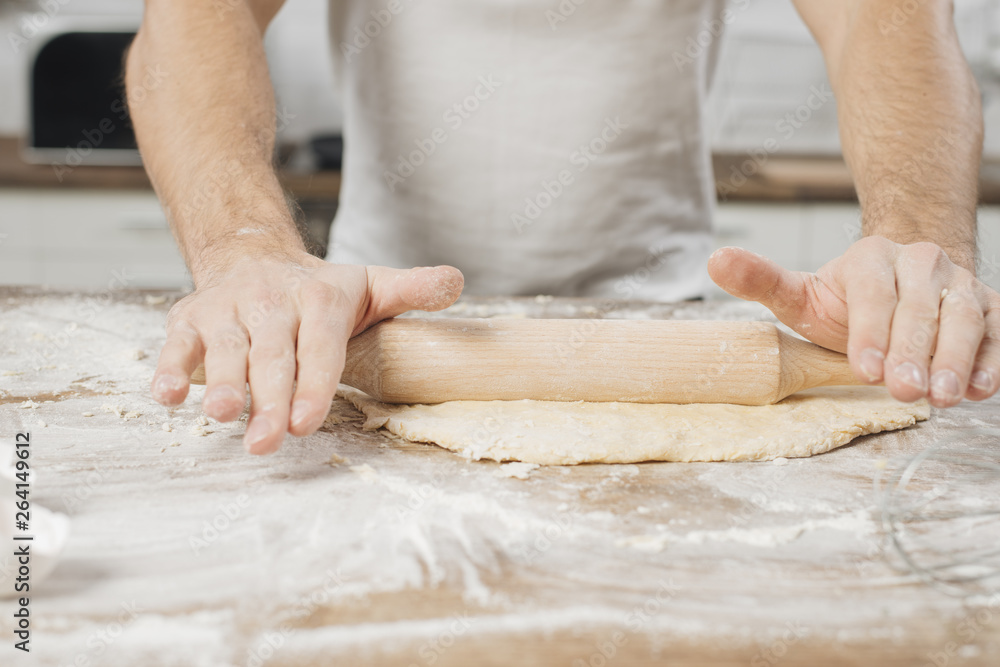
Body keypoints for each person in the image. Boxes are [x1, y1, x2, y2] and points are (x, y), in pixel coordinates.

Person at [127, 0, 999, 455]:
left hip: (680, 323)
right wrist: (245, 245)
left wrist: (917, 229)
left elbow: (884, 18)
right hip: (372, 333)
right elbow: (198, 15)